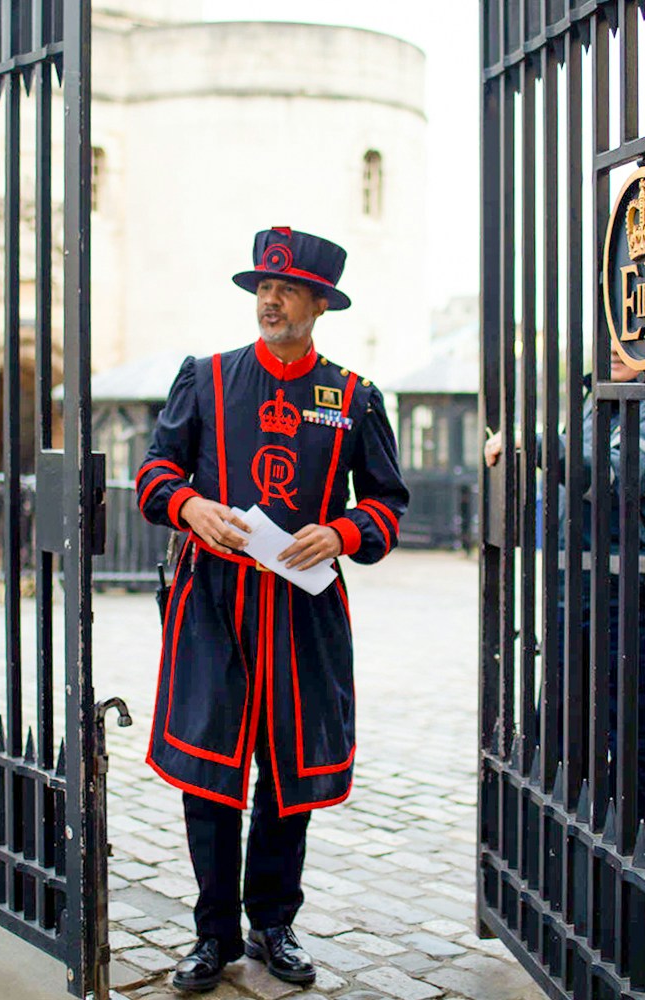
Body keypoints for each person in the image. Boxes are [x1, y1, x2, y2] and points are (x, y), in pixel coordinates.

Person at [135, 227, 408, 993]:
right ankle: (212, 935)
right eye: (263, 287)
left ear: (320, 303)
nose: (270, 298)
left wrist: (346, 530)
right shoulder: (208, 378)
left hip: (302, 617)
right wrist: (188, 505)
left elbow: (388, 507)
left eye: (286, 289)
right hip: (213, 606)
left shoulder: (355, 397)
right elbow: (154, 471)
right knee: (209, 774)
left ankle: (273, 924)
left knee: (290, 778)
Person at [484, 343, 645, 821]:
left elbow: (617, 476)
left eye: (630, 339)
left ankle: (629, 851)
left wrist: (530, 442)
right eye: (608, 336)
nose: (615, 349)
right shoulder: (591, 401)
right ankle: (562, 843)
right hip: (575, 583)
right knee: (557, 720)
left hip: (636, 588)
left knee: (625, 729)